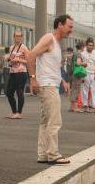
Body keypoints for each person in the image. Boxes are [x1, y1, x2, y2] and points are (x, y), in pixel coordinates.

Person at [26, 14, 73, 165]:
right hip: (47, 85)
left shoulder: (57, 45)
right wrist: (33, 78)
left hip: (51, 83)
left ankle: (43, 154)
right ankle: (53, 154)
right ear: (60, 25)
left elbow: (53, 67)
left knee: (45, 121)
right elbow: (31, 55)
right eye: (69, 27)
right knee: (54, 120)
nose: (71, 30)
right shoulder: (48, 38)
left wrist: (63, 80)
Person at [5, 29, 29, 119]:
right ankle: (14, 111)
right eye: (16, 36)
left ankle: (19, 113)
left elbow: (28, 61)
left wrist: (19, 60)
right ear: (14, 37)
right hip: (12, 72)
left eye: (19, 36)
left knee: (19, 92)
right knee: (9, 92)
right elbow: (11, 58)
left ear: (21, 37)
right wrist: (10, 60)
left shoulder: (24, 48)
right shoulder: (11, 47)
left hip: (21, 72)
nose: (18, 38)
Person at [78, 38, 95, 113]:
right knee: (84, 90)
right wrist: (83, 64)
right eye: (89, 45)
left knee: (94, 90)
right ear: (86, 45)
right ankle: (85, 106)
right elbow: (79, 63)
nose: (91, 47)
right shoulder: (82, 53)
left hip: (93, 74)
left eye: (92, 45)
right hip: (85, 73)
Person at [68, 42, 84, 112]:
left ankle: (71, 106)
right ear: (82, 47)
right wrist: (84, 64)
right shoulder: (78, 54)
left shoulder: (74, 53)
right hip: (77, 74)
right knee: (76, 90)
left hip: (73, 73)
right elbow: (78, 63)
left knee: (73, 89)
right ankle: (75, 107)